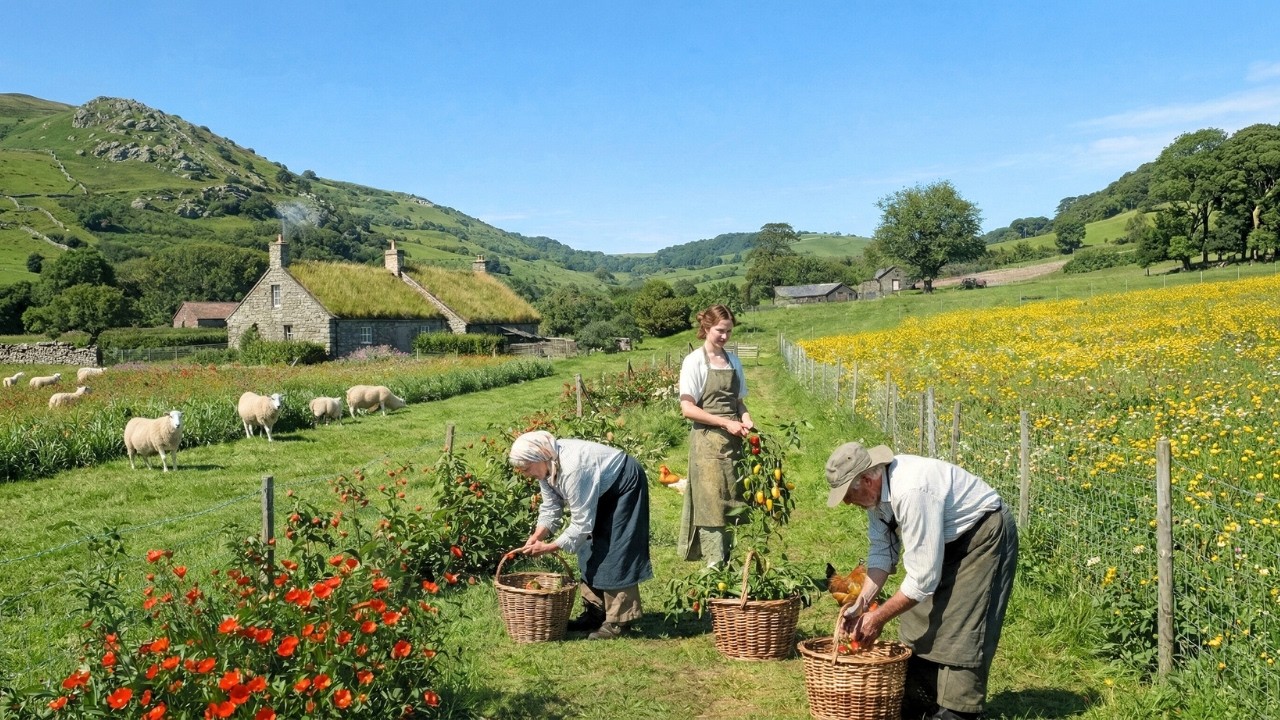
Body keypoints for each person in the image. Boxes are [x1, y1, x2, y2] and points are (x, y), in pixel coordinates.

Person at [825, 441, 1018, 720]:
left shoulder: (911, 491)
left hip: (981, 536)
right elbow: (882, 552)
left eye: (847, 494)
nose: (846, 502)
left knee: (963, 625)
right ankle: (923, 699)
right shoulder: (877, 495)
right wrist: (861, 605)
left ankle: (958, 710)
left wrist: (877, 619)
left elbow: (922, 580)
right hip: (946, 538)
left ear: (866, 480)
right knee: (917, 616)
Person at [509, 430, 653, 640]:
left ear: (539, 458)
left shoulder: (573, 468)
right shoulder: (547, 466)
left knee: (616, 548)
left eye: (526, 468)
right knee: (588, 546)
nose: (525, 474)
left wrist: (549, 547)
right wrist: (538, 535)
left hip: (623, 485)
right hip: (601, 487)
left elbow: (581, 525)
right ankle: (595, 612)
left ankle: (619, 621)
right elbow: (551, 506)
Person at [677, 304, 754, 567]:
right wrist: (725, 423)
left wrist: (745, 418)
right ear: (707, 327)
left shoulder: (733, 361)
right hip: (707, 443)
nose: (724, 336)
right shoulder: (694, 361)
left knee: (732, 501)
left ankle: (728, 561)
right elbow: (688, 409)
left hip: (733, 443)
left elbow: (739, 402)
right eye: (720, 330)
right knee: (711, 503)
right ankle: (714, 567)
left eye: (729, 331)